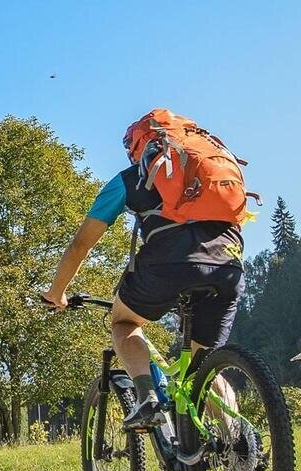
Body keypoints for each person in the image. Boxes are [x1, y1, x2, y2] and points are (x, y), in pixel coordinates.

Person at [43, 111, 249, 431]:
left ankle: (147, 397)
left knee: (124, 321)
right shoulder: (208, 169)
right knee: (204, 368)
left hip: (168, 265)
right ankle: (239, 446)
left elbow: (79, 247)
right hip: (228, 263)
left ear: (138, 145)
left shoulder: (129, 179)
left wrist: (57, 293)